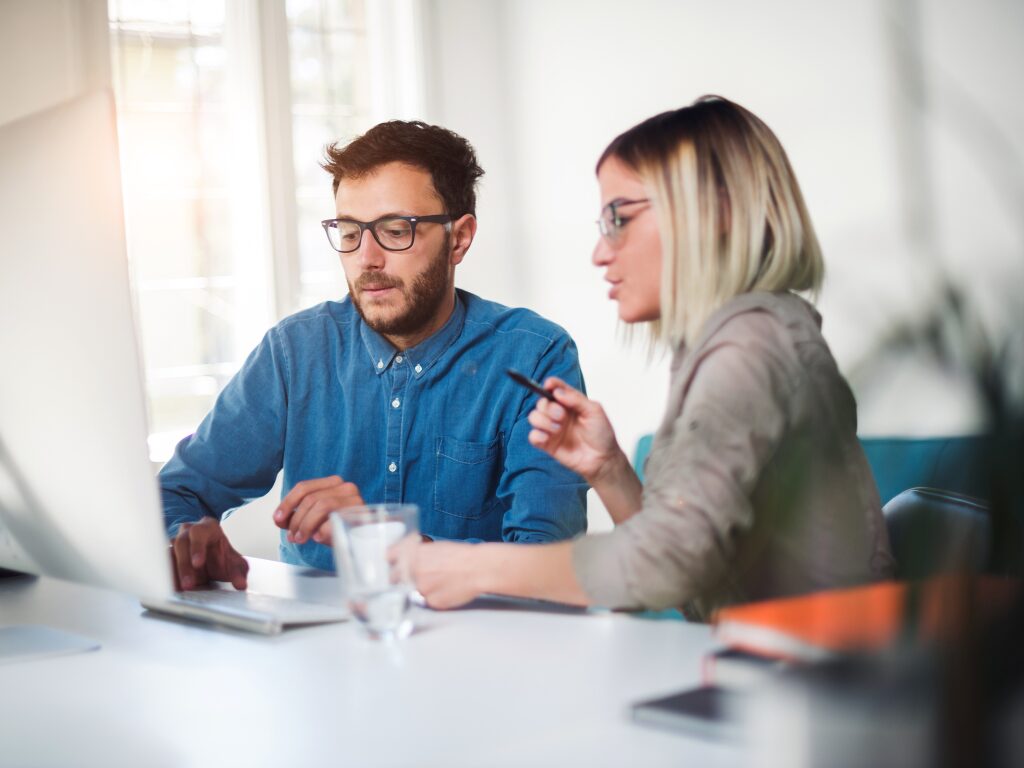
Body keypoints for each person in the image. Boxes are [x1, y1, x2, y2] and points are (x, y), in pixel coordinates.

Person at [411, 96, 895, 620]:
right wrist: (610, 469)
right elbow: (695, 570)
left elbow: (667, 565)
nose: (600, 252)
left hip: (816, 683)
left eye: (619, 218)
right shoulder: (736, 339)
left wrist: (472, 567)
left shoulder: (749, 349)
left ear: (718, 211)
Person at [160, 121, 588, 591]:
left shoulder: (534, 356)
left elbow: (552, 570)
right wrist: (187, 540)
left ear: (459, 239)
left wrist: (383, 538)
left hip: (473, 652)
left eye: (395, 230)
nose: (366, 258)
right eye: (348, 231)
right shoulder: (295, 352)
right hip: (317, 651)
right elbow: (177, 491)